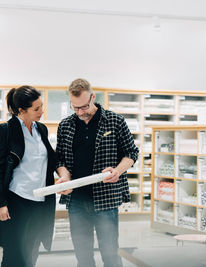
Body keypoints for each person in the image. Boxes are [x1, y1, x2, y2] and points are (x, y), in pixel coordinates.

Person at [55, 78, 139, 267]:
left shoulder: (115, 121)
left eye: (84, 107)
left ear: (93, 97)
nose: (80, 112)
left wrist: (117, 171)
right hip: (76, 201)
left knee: (110, 254)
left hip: (106, 199)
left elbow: (132, 153)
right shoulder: (65, 125)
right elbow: (59, 159)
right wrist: (65, 176)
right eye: (75, 108)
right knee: (82, 256)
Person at [0, 85, 57, 267]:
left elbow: (51, 160)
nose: (42, 112)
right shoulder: (5, 131)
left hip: (40, 203)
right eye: (36, 109)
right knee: (14, 255)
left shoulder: (42, 130)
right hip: (16, 202)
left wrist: (63, 175)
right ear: (21, 110)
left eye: (41, 106)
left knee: (32, 253)